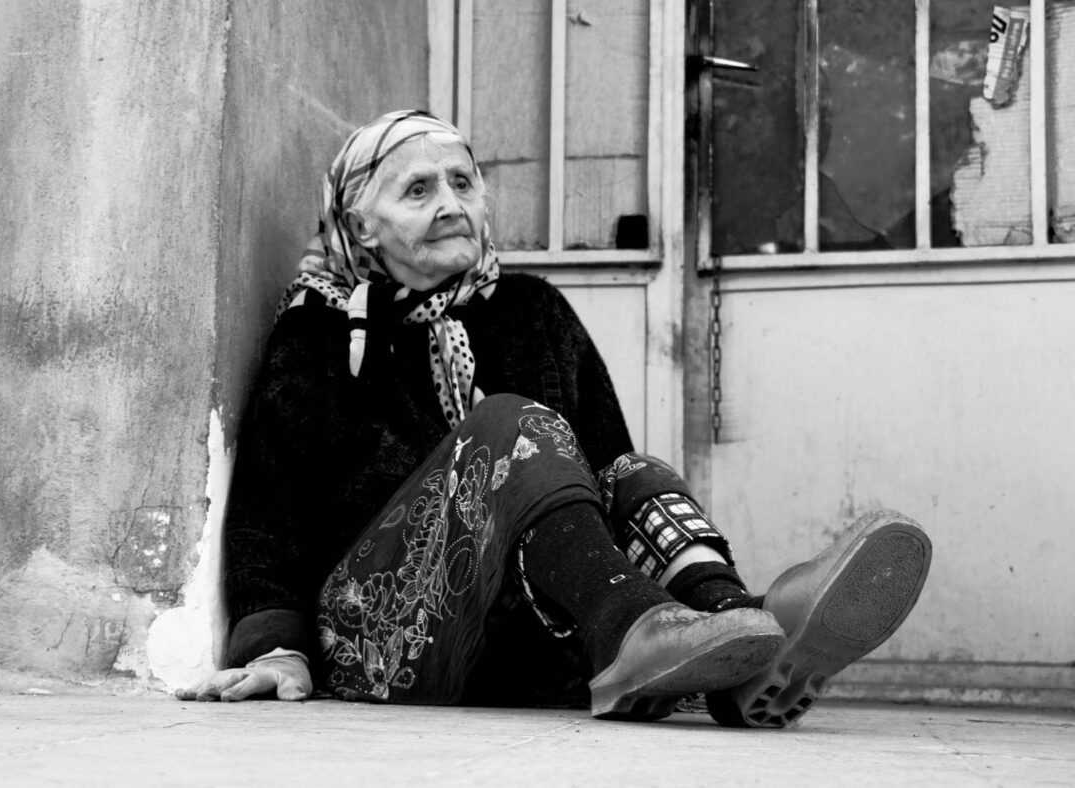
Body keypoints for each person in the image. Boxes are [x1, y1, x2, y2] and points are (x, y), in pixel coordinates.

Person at [177, 110, 932, 726]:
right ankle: (647, 634)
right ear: (360, 225)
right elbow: (266, 516)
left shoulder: (534, 311)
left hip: (527, 638)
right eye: (417, 191)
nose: (451, 203)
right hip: (382, 640)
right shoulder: (317, 333)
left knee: (631, 473)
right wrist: (276, 647)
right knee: (510, 428)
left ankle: (740, 636)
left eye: (463, 183)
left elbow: (607, 487)